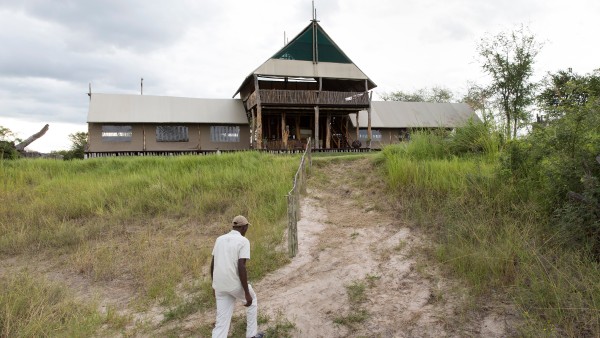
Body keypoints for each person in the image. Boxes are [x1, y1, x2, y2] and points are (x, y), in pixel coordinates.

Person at [210, 215, 264, 338]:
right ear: (244, 227)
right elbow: (242, 267)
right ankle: (251, 335)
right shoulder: (243, 241)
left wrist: (214, 284)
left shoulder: (219, 239)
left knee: (221, 322)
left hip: (220, 285)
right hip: (233, 284)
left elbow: (213, 263)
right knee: (252, 300)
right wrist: (246, 292)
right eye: (247, 227)